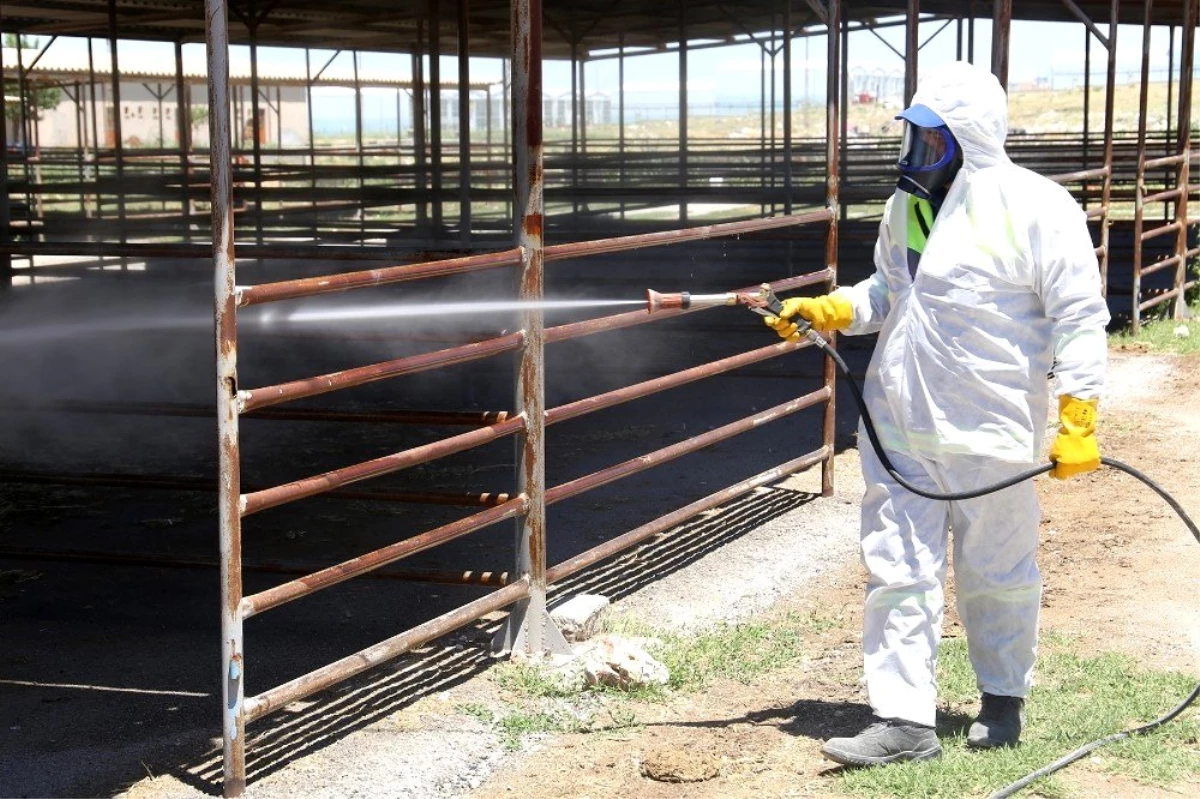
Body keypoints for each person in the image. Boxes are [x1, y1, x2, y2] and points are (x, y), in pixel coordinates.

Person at [765, 61, 1109, 766]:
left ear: (969, 140)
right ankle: (904, 721)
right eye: (913, 141)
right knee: (897, 571)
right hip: (900, 431)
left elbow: (1079, 318)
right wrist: (831, 308)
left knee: (998, 570)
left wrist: (1078, 416)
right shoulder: (906, 209)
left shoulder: (1039, 208)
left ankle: (1003, 700)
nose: (915, 157)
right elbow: (888, 292)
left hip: (992, 432)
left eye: (931, 142)